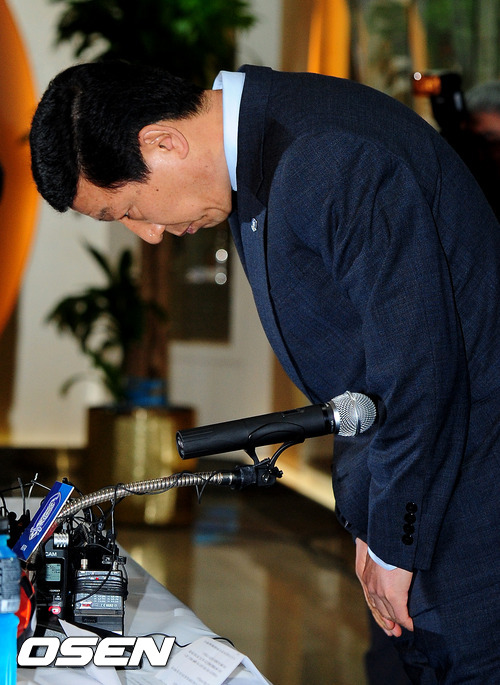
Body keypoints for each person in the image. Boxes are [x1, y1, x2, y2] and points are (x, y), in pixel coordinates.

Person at [29, 61, 500, 683]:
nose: (149, 235)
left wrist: (393, 541)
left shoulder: (319, 156)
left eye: (128, 210)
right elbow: (360, 376)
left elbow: (419, 370)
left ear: (163, 143)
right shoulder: (263, 153)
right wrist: (372, 519)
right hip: (422, 497)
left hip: (469, 511)